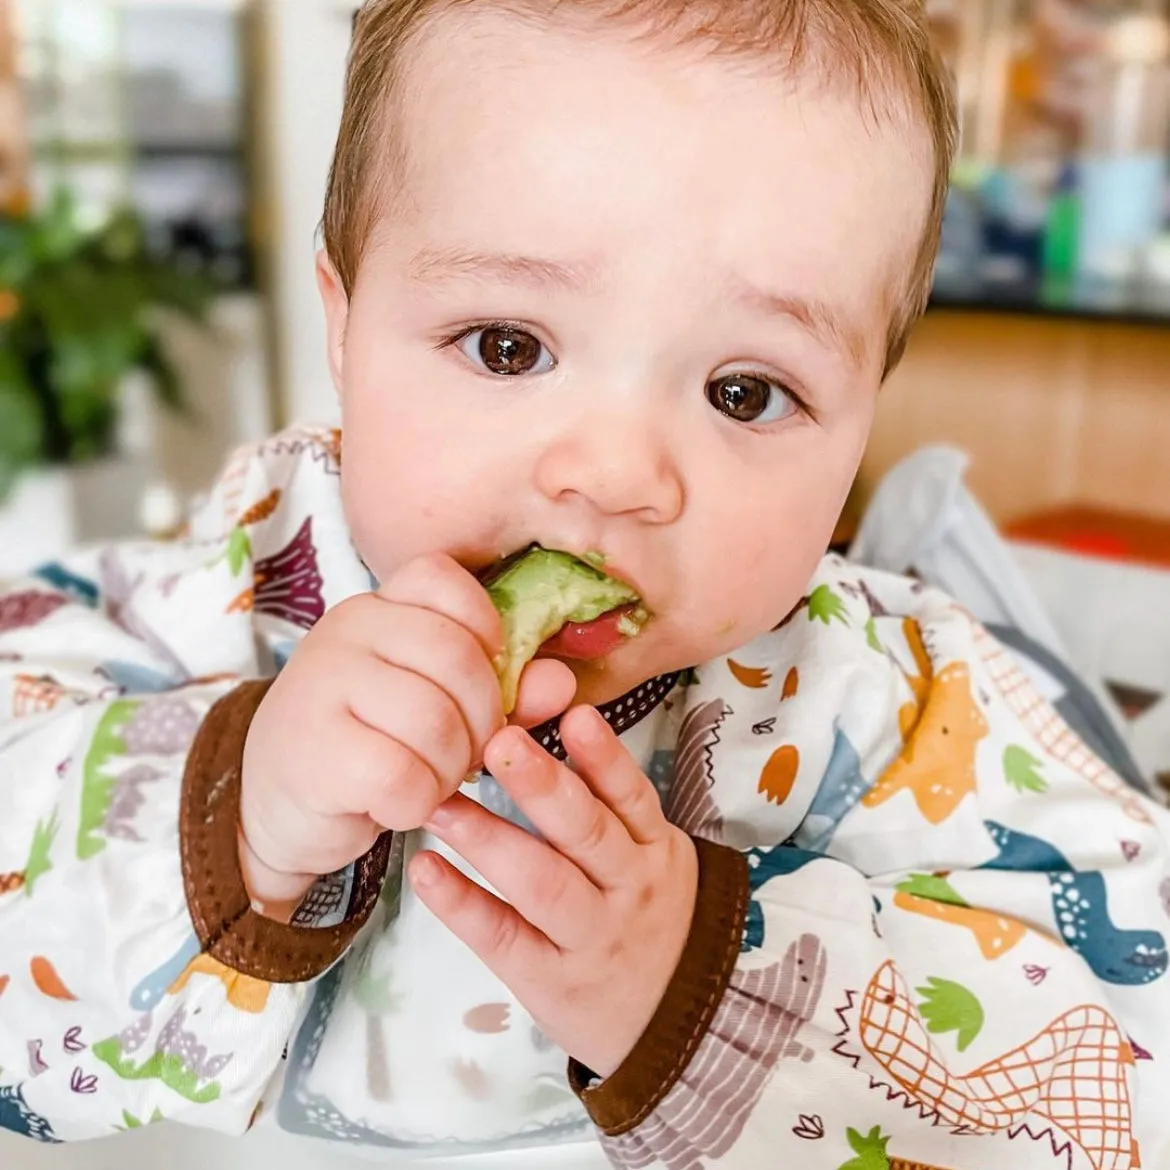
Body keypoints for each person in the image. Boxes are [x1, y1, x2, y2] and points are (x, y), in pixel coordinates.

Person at [2, 1, 1168, 1166]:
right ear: (344, 323)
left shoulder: (887, 703)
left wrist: (708, 983)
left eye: (745, 392)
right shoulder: (240, 576)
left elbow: (1135, 1054)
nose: (616, 477)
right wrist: (237, 805)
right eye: (509, 345)